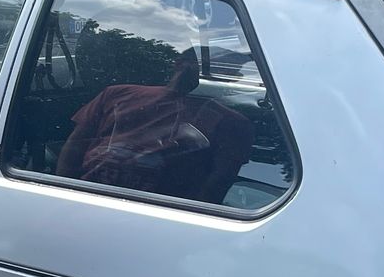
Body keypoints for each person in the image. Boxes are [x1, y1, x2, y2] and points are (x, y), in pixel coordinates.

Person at [55, 46, 253, 207]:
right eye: (197, 63)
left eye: (214, 68)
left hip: (159, 212)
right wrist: (64, 196)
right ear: (177, 63)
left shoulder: (231, 122)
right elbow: (74, 146)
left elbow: (217, 184)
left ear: (232, 77)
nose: (200, 71)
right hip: (85, 198)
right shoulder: (116, 94)